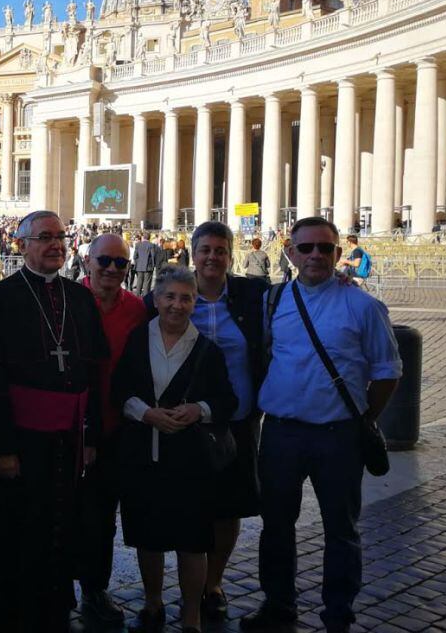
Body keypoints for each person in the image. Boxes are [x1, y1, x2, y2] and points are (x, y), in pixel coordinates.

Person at [242, 217, 401, 633]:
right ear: (290, 253)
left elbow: (387, 371)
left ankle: (338, 615)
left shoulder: (363, 306)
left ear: (337, 254)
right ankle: (278, 605)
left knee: (341, 530)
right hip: (280, 432)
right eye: (306, 248)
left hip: (338, 434)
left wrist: (366, 419)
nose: (315, 255)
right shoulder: (272, 300)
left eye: (325, 249)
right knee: (276, 526)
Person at [0, 210, 109, 633]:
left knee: (60, 529)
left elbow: (93, 371)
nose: (55, 244)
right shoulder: (1, 297)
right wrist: (2, 446)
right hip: (20, 441)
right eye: (45, 237)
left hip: (68, 440)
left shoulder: (80, 298)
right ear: (23, 244)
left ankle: (52, 613)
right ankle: (5, 618)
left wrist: (91, 434)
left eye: (60, 237)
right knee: (12, 533)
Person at [113, 265, 237, 633]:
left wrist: (199, 409)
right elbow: (119, 390)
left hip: (190, 461)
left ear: (195, 302)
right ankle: (153, 602)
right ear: (156, 298)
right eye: (169, 297)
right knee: (148, 538)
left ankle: (192, 617)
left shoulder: (207, 350)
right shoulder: (137, 340)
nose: (177, 305)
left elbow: (228, 400)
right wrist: (147, 413)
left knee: (191, 541)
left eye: (186, 298)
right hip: (144, 456)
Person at [159, 222, 268, 624]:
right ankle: (185, 588)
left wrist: (340, 277)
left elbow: (293, 298)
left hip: (236, 419)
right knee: (187, 507)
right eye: (205, 250)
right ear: (193, 252)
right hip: (183, 420)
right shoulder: (174, 296)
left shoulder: (253, 295)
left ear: (230, 255)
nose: (212, 257)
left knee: (228, 507)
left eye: (220, 250)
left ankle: (213, 583)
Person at [76, 233, 148, 628]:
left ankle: (94, 589)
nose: (112, 270)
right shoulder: (68, 300)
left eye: (121, 264)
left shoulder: (137, 307)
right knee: (61, 510)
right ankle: (53, 586)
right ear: (88, 261)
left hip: (114, 427)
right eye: (105, 261)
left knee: (102, 516)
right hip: (65, 427)